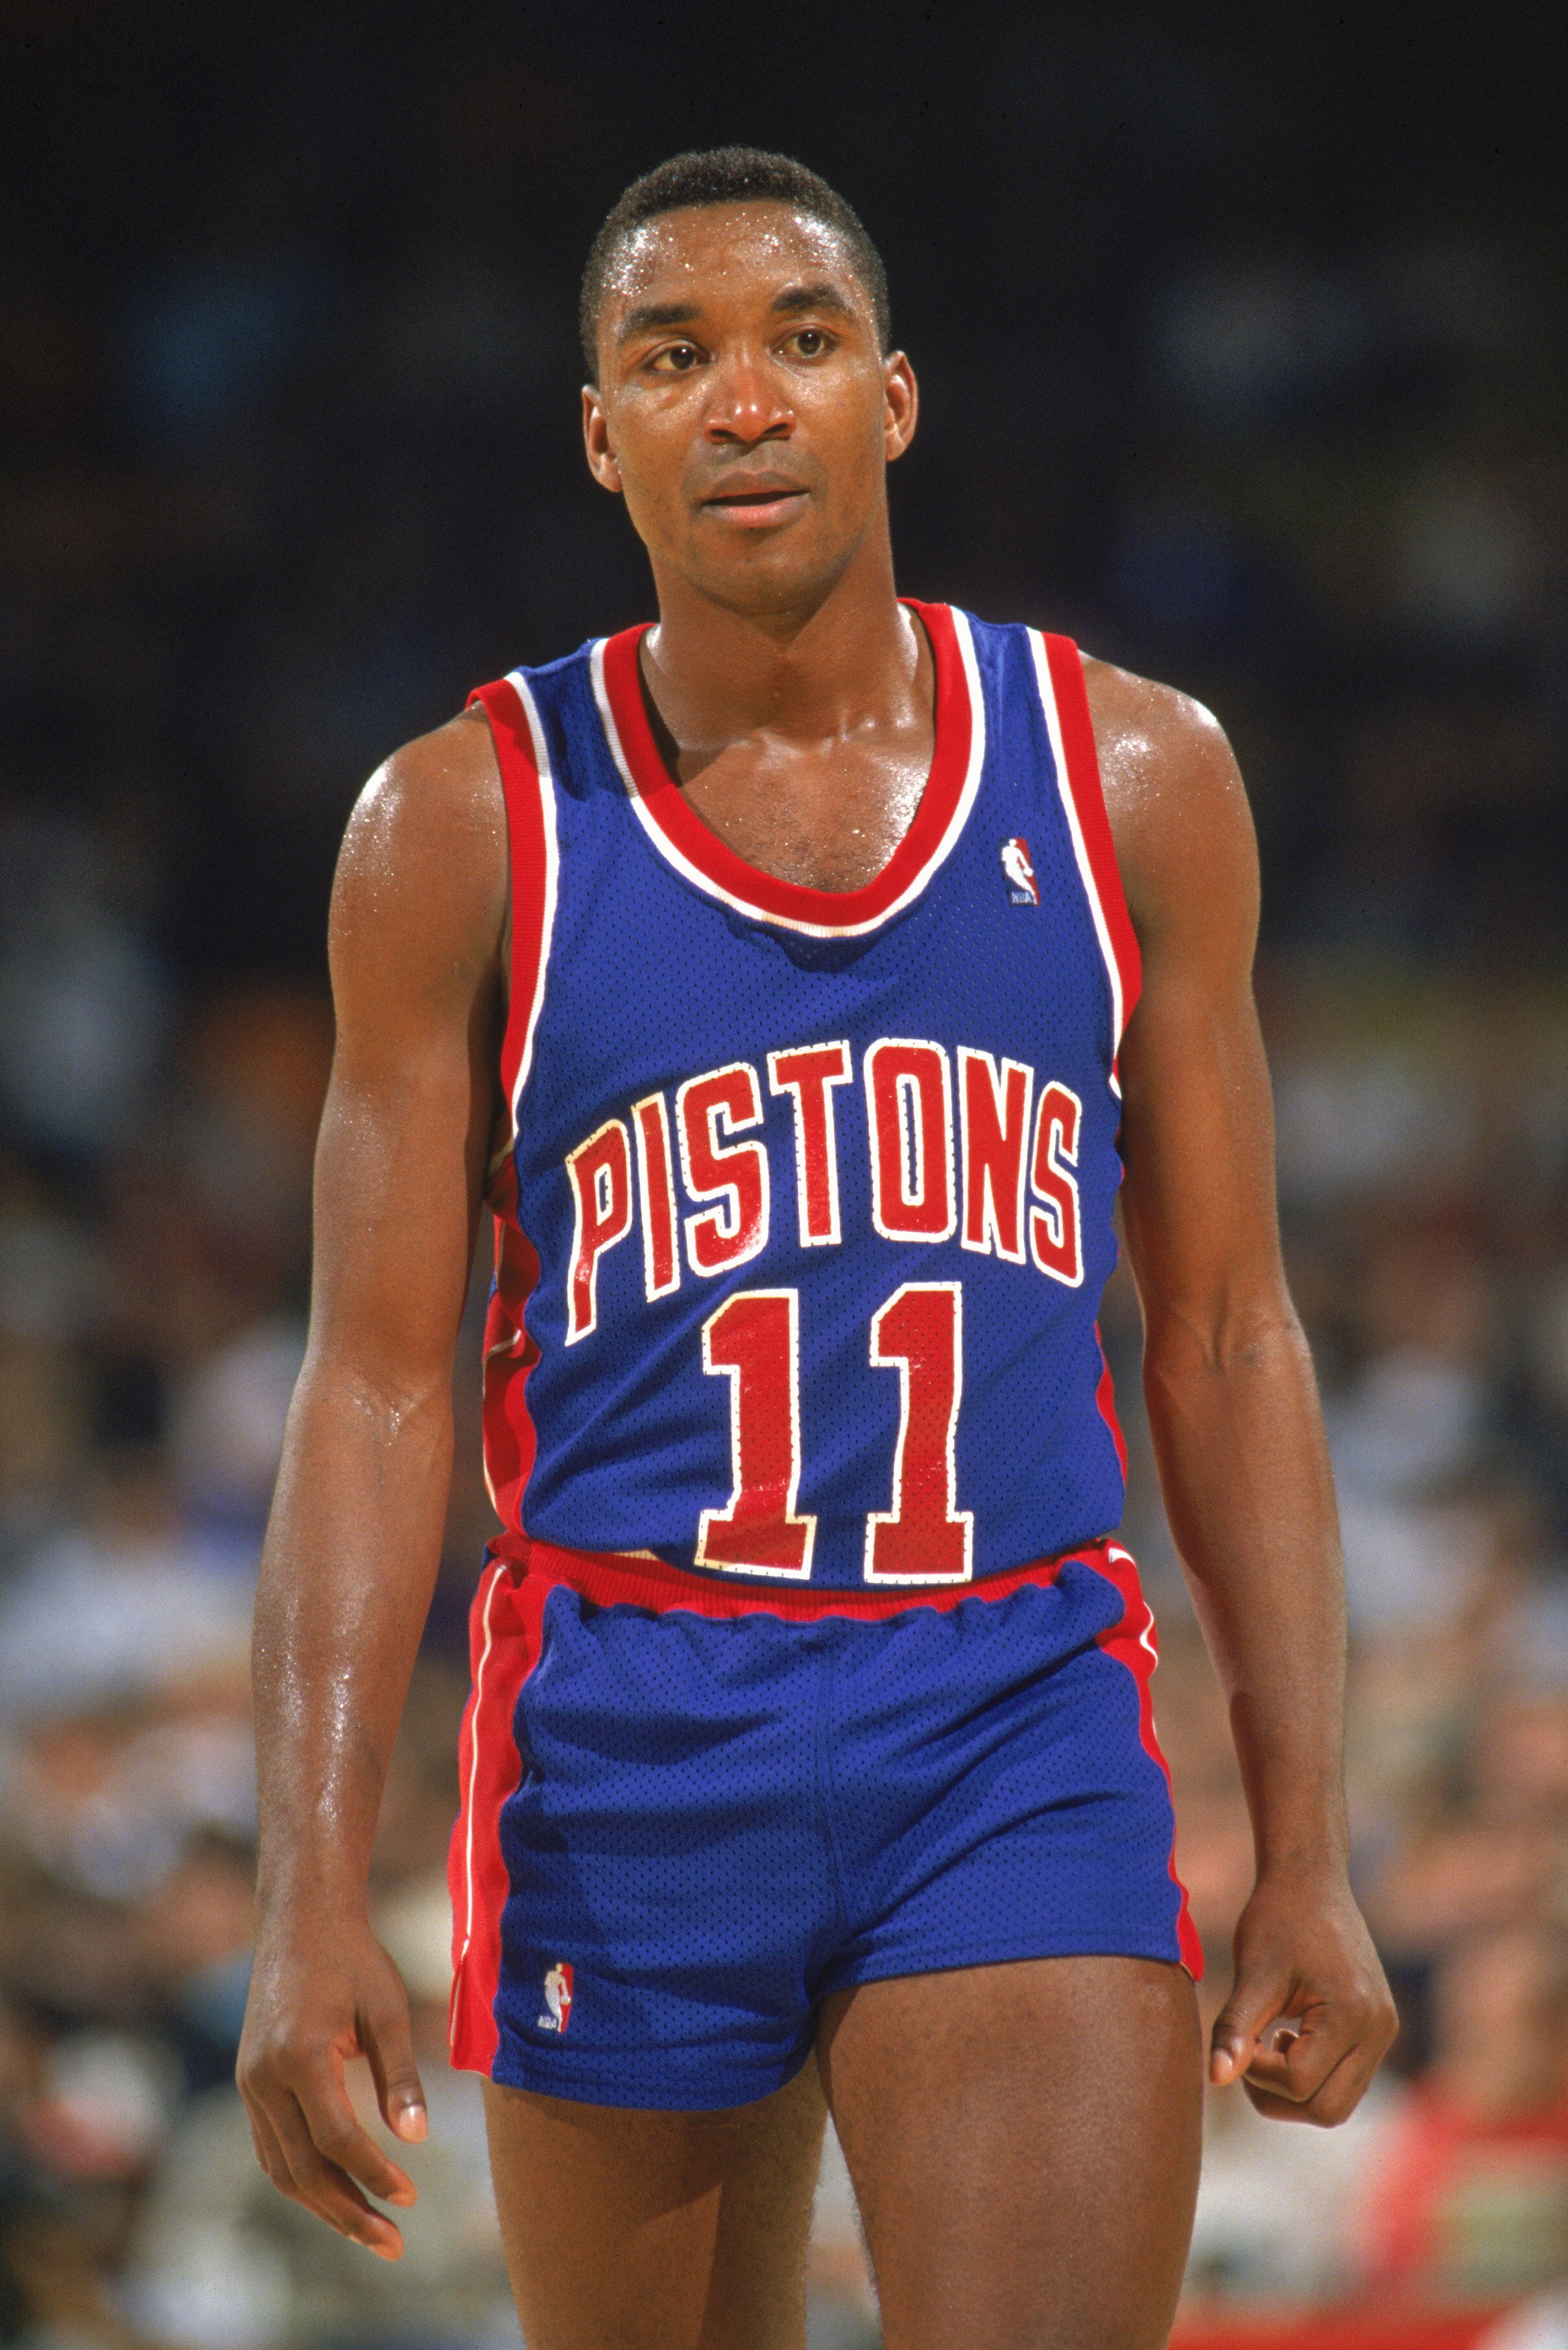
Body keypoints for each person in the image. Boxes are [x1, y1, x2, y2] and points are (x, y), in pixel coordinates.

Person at [236, 147, 1397, 2350]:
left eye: (798, 341)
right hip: (624, 1723)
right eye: (671, 357)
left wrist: (1306, 1840)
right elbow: (374, 1381)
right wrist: (304, 1883)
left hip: (1009, 1697)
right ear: (601, 434)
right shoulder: (460, 826)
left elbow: (1233, 1334)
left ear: (894, 398)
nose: (741, 399)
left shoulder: (1133, 776)